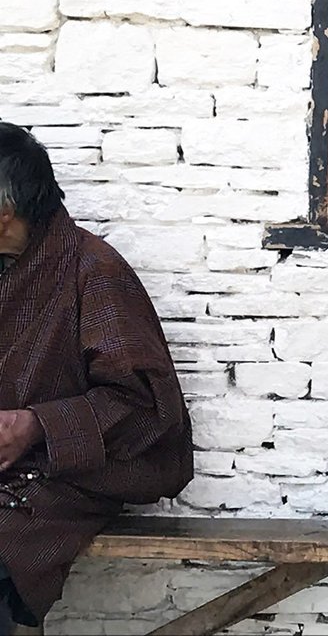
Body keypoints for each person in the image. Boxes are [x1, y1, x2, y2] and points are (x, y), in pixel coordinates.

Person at [0, 123, 193, 634]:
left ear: (3, 214)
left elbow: (148, 408)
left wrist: (34, 425)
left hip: (67, 474)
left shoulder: (93, 270)